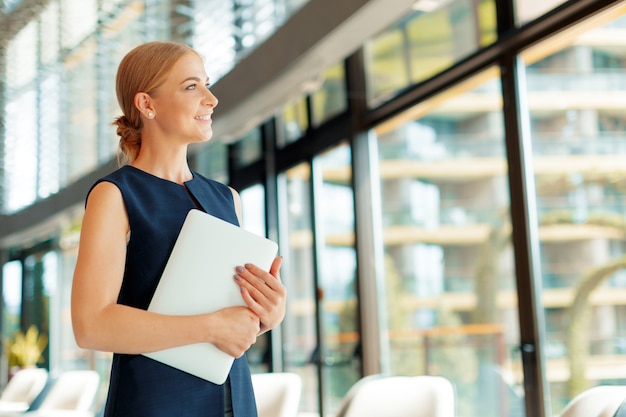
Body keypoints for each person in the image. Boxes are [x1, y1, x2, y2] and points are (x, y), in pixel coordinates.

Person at [71, 41, 286, 417]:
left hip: (234, 398)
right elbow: (91, 326)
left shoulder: (227, 198)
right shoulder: (115, 194)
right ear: (147, 104)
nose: (211, 98)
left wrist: (266, 314)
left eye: (206, 83)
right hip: (155, 402)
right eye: (192, 86)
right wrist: (212, 327)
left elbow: (223, 316)